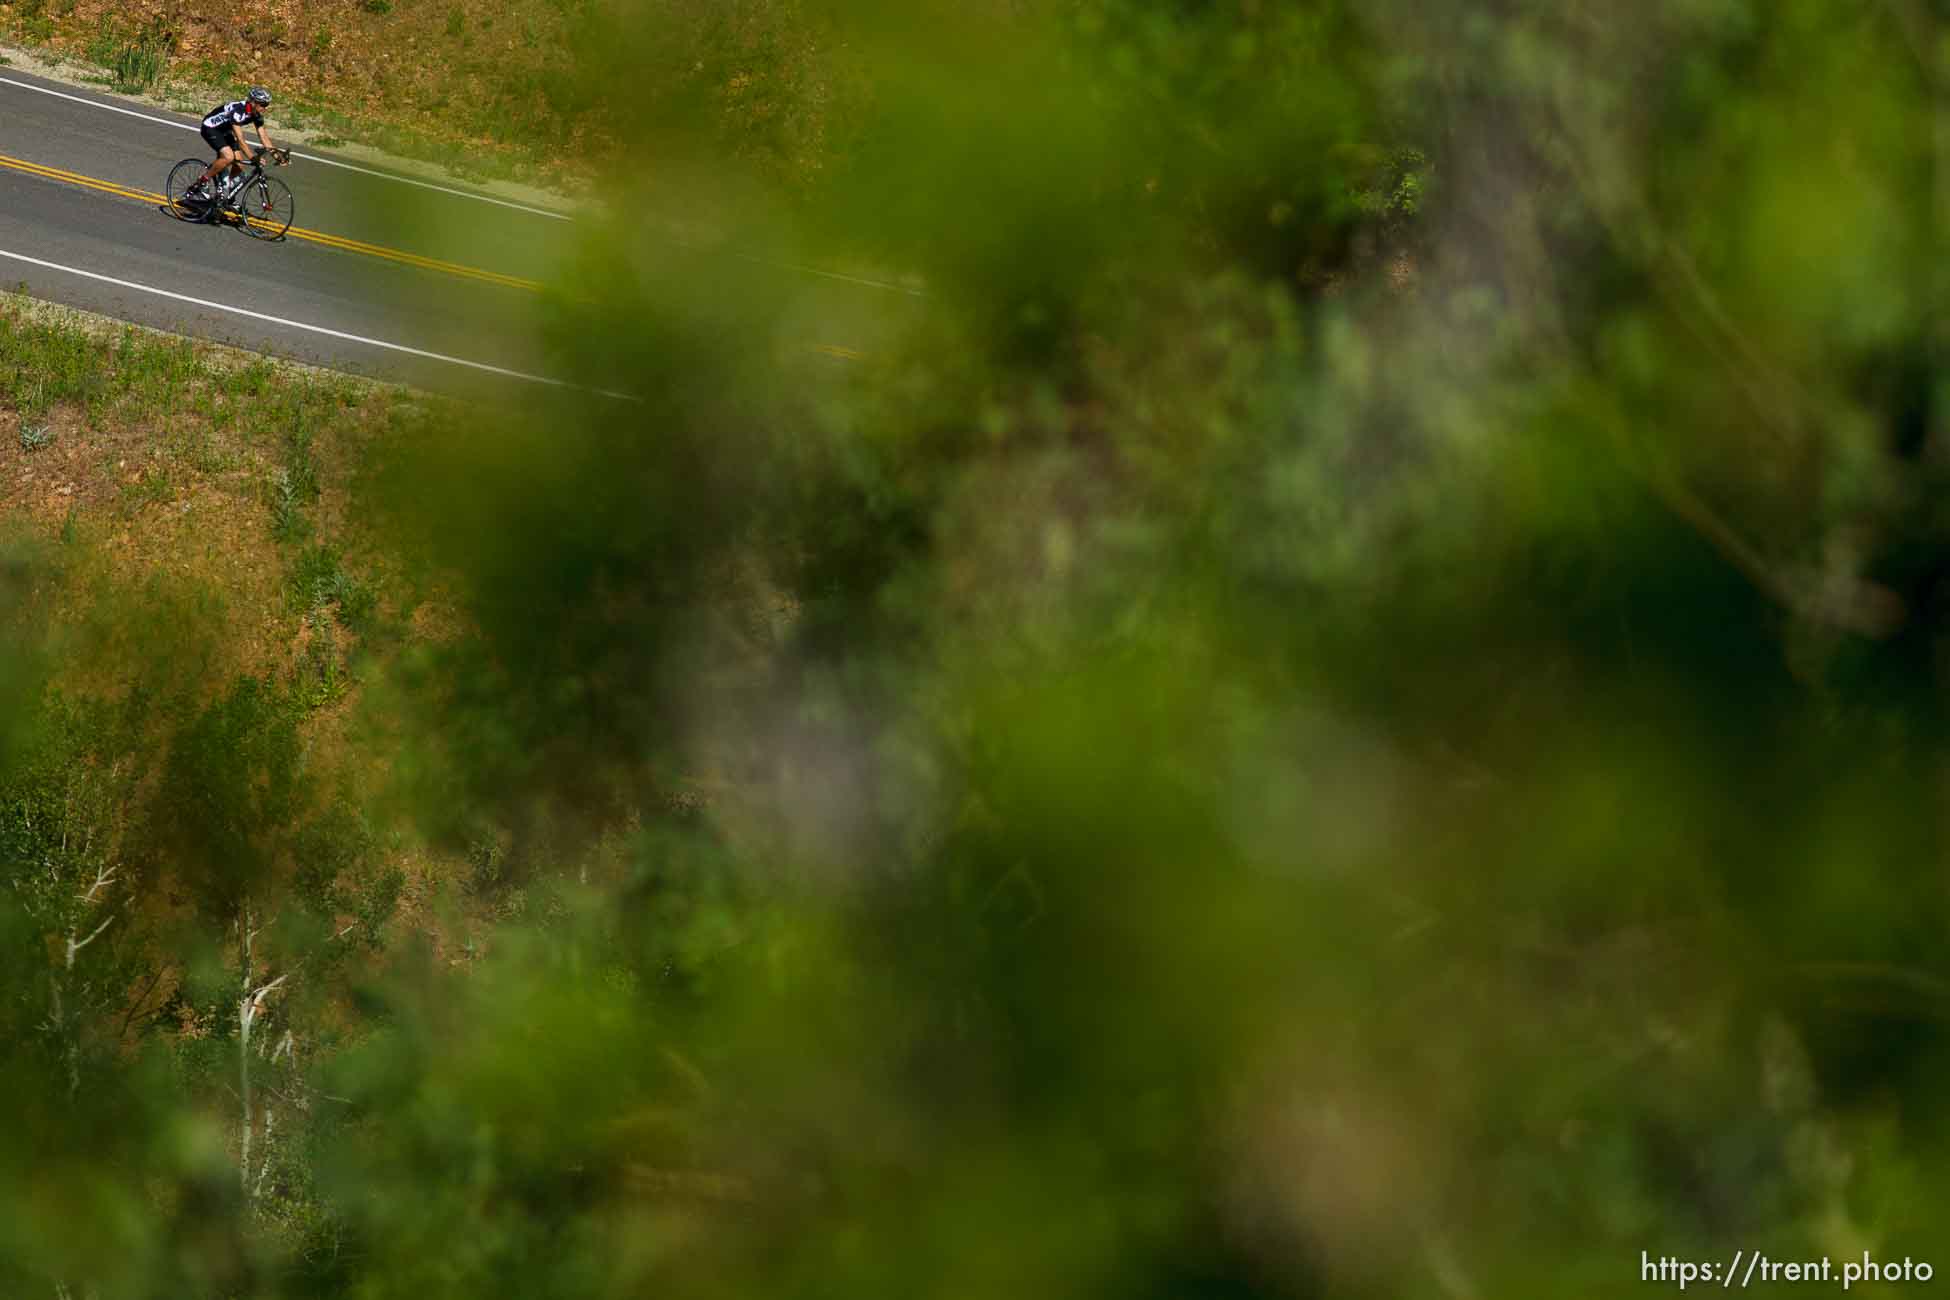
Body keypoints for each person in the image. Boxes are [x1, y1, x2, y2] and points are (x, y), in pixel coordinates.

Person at [188, 86, 284, 200]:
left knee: (239, 164)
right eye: (263, 104)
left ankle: (224, 194)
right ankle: (203, 181)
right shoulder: (238, 110)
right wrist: (253, 157)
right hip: (211, 128)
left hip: (225, 131)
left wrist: (277, 156)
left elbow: (263, 137)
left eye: (267, 105)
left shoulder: (256, 114)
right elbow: (240, 139)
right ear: (253, 103)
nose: (266, 108)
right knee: (228, 157)